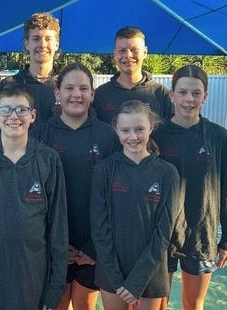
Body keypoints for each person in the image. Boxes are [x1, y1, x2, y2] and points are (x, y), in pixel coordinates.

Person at [0, 82, 68, 310]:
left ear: (33, 115)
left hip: (34, 278)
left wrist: (55, 288)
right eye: (6, 109)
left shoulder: (48, 160)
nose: (14, 116)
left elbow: (58, 228)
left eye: (21, 109)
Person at [31, 62, 120, 310]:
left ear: (92, 94)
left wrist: (94, 246)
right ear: (57, 94)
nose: (76, 95)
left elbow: (116, 195)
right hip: (51, 246)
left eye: (83, 88)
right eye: (69, 88)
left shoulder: (107, 136)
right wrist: (52, 244)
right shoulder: (40, 135)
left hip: (92, 246)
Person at [152, 65, 227, 310]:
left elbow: (224, 187)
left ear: (205, 96)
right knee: (158, 303)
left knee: (193, 304)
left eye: (196, 93)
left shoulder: (217, 135)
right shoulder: (157, 134)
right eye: (183, 92)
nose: (189, 99)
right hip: (162, 231)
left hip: (201, 231)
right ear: (172, 94)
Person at [90, 100, 181, 310]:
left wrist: (137, 280)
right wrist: (116, 277)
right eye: (125, 130)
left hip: (151, 270)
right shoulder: (104, 170)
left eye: (139, 129)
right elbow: (99, 229)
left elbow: (164, 232)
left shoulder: (167, 173)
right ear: (116, 129)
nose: (133, 137)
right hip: (112, 272)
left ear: (152, 127)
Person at [93, 26, 173, 124]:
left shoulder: (161, 94)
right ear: (114, 54)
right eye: (122, 51)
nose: (128, 55)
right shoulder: (100, 94)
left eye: (134, 50)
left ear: (145, 52)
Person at [0, 12, 60, 127]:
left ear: (56, 44)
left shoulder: (66, 86)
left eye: (48, 39)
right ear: (26, 44)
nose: (42, 44)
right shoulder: (9, 84)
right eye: (36, 39)